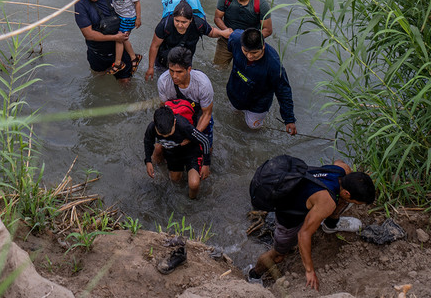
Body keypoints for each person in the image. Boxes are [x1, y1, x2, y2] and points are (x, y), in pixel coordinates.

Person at [247, 158, 376, 290]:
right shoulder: (327, 202)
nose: (355, 204)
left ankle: (330, 224)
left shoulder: (343, 169)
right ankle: (254, 275)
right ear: (347, 193)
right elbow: (303, 234)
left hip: (306, 195)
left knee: (342, 201)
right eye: (356, 202)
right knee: (278, 255)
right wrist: (309, 270)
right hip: (289, 217)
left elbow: (338, 160)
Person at [152, 47, 215, 176]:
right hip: (177, 114)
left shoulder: (203, 84)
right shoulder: (164, 81)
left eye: (179, 72)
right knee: (160, 147)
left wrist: (192, 137)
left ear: (189, 69)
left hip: (199, 115)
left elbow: (206, 114)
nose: (174, 76)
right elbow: (163, 109)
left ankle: (204, 164)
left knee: (207, 145)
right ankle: (161, 172)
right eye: (171, 70)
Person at [225, 28, 293, 131]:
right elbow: (230, 45)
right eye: (245, 51)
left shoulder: (274, 64)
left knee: (253, 126)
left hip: (258, 103)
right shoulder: (235, 39)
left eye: (254, 53)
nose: (249, 56)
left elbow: (283, 90)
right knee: (234, 113)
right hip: (235, 92)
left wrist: (289, 119)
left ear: (263, 46)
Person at [74, 0, 133, 80]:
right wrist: (115, 37)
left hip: (119, 49)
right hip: (98, 54)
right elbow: (89, 34)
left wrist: (127, 31)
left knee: (125, 80)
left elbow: (128, 10)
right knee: (99, 80)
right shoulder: (80, 5)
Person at [143, 105, 209, 199]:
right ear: (155, 124)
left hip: (190, 153)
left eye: (169, 133)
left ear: (174, 122)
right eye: (162, 134)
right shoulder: (152, 127)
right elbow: (148, 141)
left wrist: (206, 164)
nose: (166, 137)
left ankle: (192, 200)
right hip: (172, 154)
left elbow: (204, 140)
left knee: (194, 184)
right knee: (175, 181)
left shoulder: (184, 126)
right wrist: (148, 161)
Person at [212, 0, 272, 66]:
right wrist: (226, 30)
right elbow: (217, 18)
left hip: (250, 45)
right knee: (218, 68)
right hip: (227, 39)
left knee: (246, 73)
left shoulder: (261, 3)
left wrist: (249, 40)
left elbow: (268, 30)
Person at [102, 0, 142, 74]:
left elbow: (137, 3)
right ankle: (134, 58)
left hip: (129, 17)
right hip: (117, 14)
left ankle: (118, 64)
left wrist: (138, 18)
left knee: (119, 38)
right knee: (124, 39)